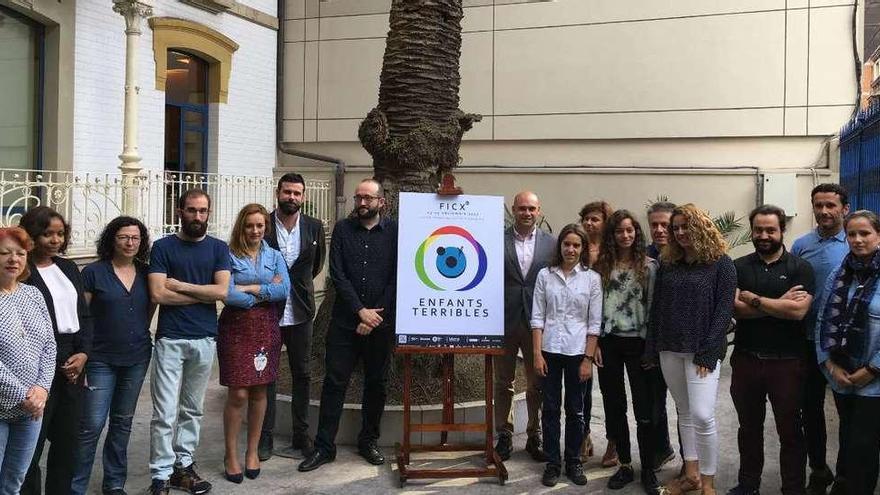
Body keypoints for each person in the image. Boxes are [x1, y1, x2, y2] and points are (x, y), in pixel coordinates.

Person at [298, 179, 397, 472]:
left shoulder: (394, 231)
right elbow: (337, 274)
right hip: (344, 322)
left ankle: (369, 441)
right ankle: (324, 447)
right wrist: (359, 311)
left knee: (376, 384)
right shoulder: (342, 229)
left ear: (381, 202)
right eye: (358, 198)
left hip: (380, 323)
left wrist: (374, 316)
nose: (362, 203)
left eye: (368, 198)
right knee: (334, 383)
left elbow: (397, 276)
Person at [645, 203, 736, 495]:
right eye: (676, 228)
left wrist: (709, 352)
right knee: (683, 412)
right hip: (669, 348)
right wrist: (651, 348)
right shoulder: (669, 262)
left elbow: (724, 311)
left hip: (702, 352)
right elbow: (657, 309)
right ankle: (691, 474)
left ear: (701, 226)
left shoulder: (721, 263)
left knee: (702, 415)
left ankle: (708, 483)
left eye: (686, 226)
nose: (681, 232)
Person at [147, 189, 231, 495]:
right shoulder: (163, 247)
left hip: (205, 339)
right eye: (192, 210)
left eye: (203, 211)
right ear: (179, 211)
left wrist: (180, 286)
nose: (198, 216)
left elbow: (221, 292)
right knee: (164, 412)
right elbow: (158, 294)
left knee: (193, 409)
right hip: (170, 339)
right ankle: (160, 475)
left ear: (209, 213)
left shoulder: (219, 248)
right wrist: (202, 292)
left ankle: (183, 467)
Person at [729, 205, 814, 495]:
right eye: (758, 230)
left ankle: (793, 489)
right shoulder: (738, 267)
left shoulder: (799, 268)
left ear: (782, 231)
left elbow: (798, 312)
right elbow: (734, 309)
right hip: (746, 360)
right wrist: (778, 305)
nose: (764, 235)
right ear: (752, 231)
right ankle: (748, 485)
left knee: (790, 431)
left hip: (787, 363)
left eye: (770, 230)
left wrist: (754, 299)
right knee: (748, 429)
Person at [70, 217, 154, 495]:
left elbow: (148, 310)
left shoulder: (146, 272)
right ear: (111, 239)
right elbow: (82, 316)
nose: (130, 243)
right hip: (100, 358)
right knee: (91, 425)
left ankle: (114, 483)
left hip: (137, 357)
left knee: (122, 422)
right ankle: (76, 486)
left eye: (135, 238)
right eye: (123, 237)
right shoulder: (94, 272)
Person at [19, 206, 93, 495]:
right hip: (38, 364)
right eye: (47, 233)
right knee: (31, 445)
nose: (54, 240)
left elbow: (84, 315)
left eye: (60, 234)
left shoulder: (69, 267)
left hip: (74, 360)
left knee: (67, 444)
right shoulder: (22, 273)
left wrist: (84, 354)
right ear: (32, 235)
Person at [218, 204, 290, 483]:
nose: (255, 230)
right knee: (238, 394)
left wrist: (249, 288)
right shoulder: (228, 255)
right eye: (250, 225)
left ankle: (251, 452)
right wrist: (262, 293)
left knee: (260, 391)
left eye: (260, 226)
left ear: (265, 228)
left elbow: (284, 289)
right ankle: (231, 455)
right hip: (235, 328)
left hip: (266, 327)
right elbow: (226, 293)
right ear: (242, 227)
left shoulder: (274, 255)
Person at [260, 172, 326, 461]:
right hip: (267, 311)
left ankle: (302, 434)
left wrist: (294, 288)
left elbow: (314, 266)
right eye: (287, 192)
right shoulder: (262, 225)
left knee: (302, 373)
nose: (292, 198)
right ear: (278, 193)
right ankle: (265, 437)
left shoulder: (313, 227)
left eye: (297, 193)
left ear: (304, 197)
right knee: (266, 375)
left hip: (300, 312)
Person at [595, 210, 661, 493]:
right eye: (619, 231)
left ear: (636, 233)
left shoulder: (649, 267)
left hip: (639, 345)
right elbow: (593, 308)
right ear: (612, 235)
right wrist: (594, 343)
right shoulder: (601, 267)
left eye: (630, 230)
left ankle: (648, 467)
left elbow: (655, 311)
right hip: (608, 343)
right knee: (614, 406)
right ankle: (624, 464)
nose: (625, 235)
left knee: (644, 410)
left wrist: (651, 349)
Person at [531, 223, 601, 487]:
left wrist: (588, 359)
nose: (570, 249)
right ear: (559, 246)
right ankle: (552, 463)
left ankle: (573, 461)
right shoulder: (545, 276)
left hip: (577, 353)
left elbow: (594, 324)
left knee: (576, 410)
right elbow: (537, 318)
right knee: (550, 409)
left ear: (582, 248)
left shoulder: (591, 279)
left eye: (576, 245)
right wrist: (537, 354)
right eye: (566, 244)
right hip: (549, 350)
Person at [791, 183, 850, 495]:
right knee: (810, 411)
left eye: (831, 205)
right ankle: (818, 469)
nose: (824, 211)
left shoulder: (854, 243)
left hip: (843, 346)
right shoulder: (801, 245)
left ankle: (843, 474)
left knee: (846, 413)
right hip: (806, 342)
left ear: (845, 209)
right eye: (819, 205)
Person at [816, 210, 880, 495]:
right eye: (852, 234)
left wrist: (873, 370)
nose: (857, 240)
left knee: (864, 445)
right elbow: (822, 320)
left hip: (874, 381)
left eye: (864, 233)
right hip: (842, 376)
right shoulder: (839, 273)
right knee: (849, 439)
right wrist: (829, 365)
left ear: (878, 236)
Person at [494, 190, 555, 462]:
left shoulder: (551, 244)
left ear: (539, 211)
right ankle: (504, 435)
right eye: (522, 208)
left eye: (531, 208)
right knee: (503, 381)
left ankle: (534, 435)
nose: (527, 213)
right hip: (504, 321)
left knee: (536, 382)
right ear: (514, 210)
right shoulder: (497, 241)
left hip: (537, 324)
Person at [0, 227, 56, 495]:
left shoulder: (33, 294)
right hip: (5, 405)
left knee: (14, 482)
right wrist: (24, 394)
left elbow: (49, 346)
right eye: (4, 253)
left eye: (20, 253)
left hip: (31, 409)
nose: (13, 259)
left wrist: (42, 389)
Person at [578, 199, 617, 466]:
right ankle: (584, 436)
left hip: (611, 331)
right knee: (582, 387)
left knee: (612, 389)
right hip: (581, 329)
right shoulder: (576, 248)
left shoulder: (614, 252)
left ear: (606, 222)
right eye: (586, 219)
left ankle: (614, 443)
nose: (590, 223)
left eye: (595, 219)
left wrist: (601, 338)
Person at [645, 201, 677, 470]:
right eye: (654, 224)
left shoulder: (688, 257)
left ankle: (692, 461)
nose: (659, 229)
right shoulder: (642, 257)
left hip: (681, 343)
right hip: (650, 343)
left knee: (687, 408)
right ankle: (661, 449)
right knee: (654, 402)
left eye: (665, 224)